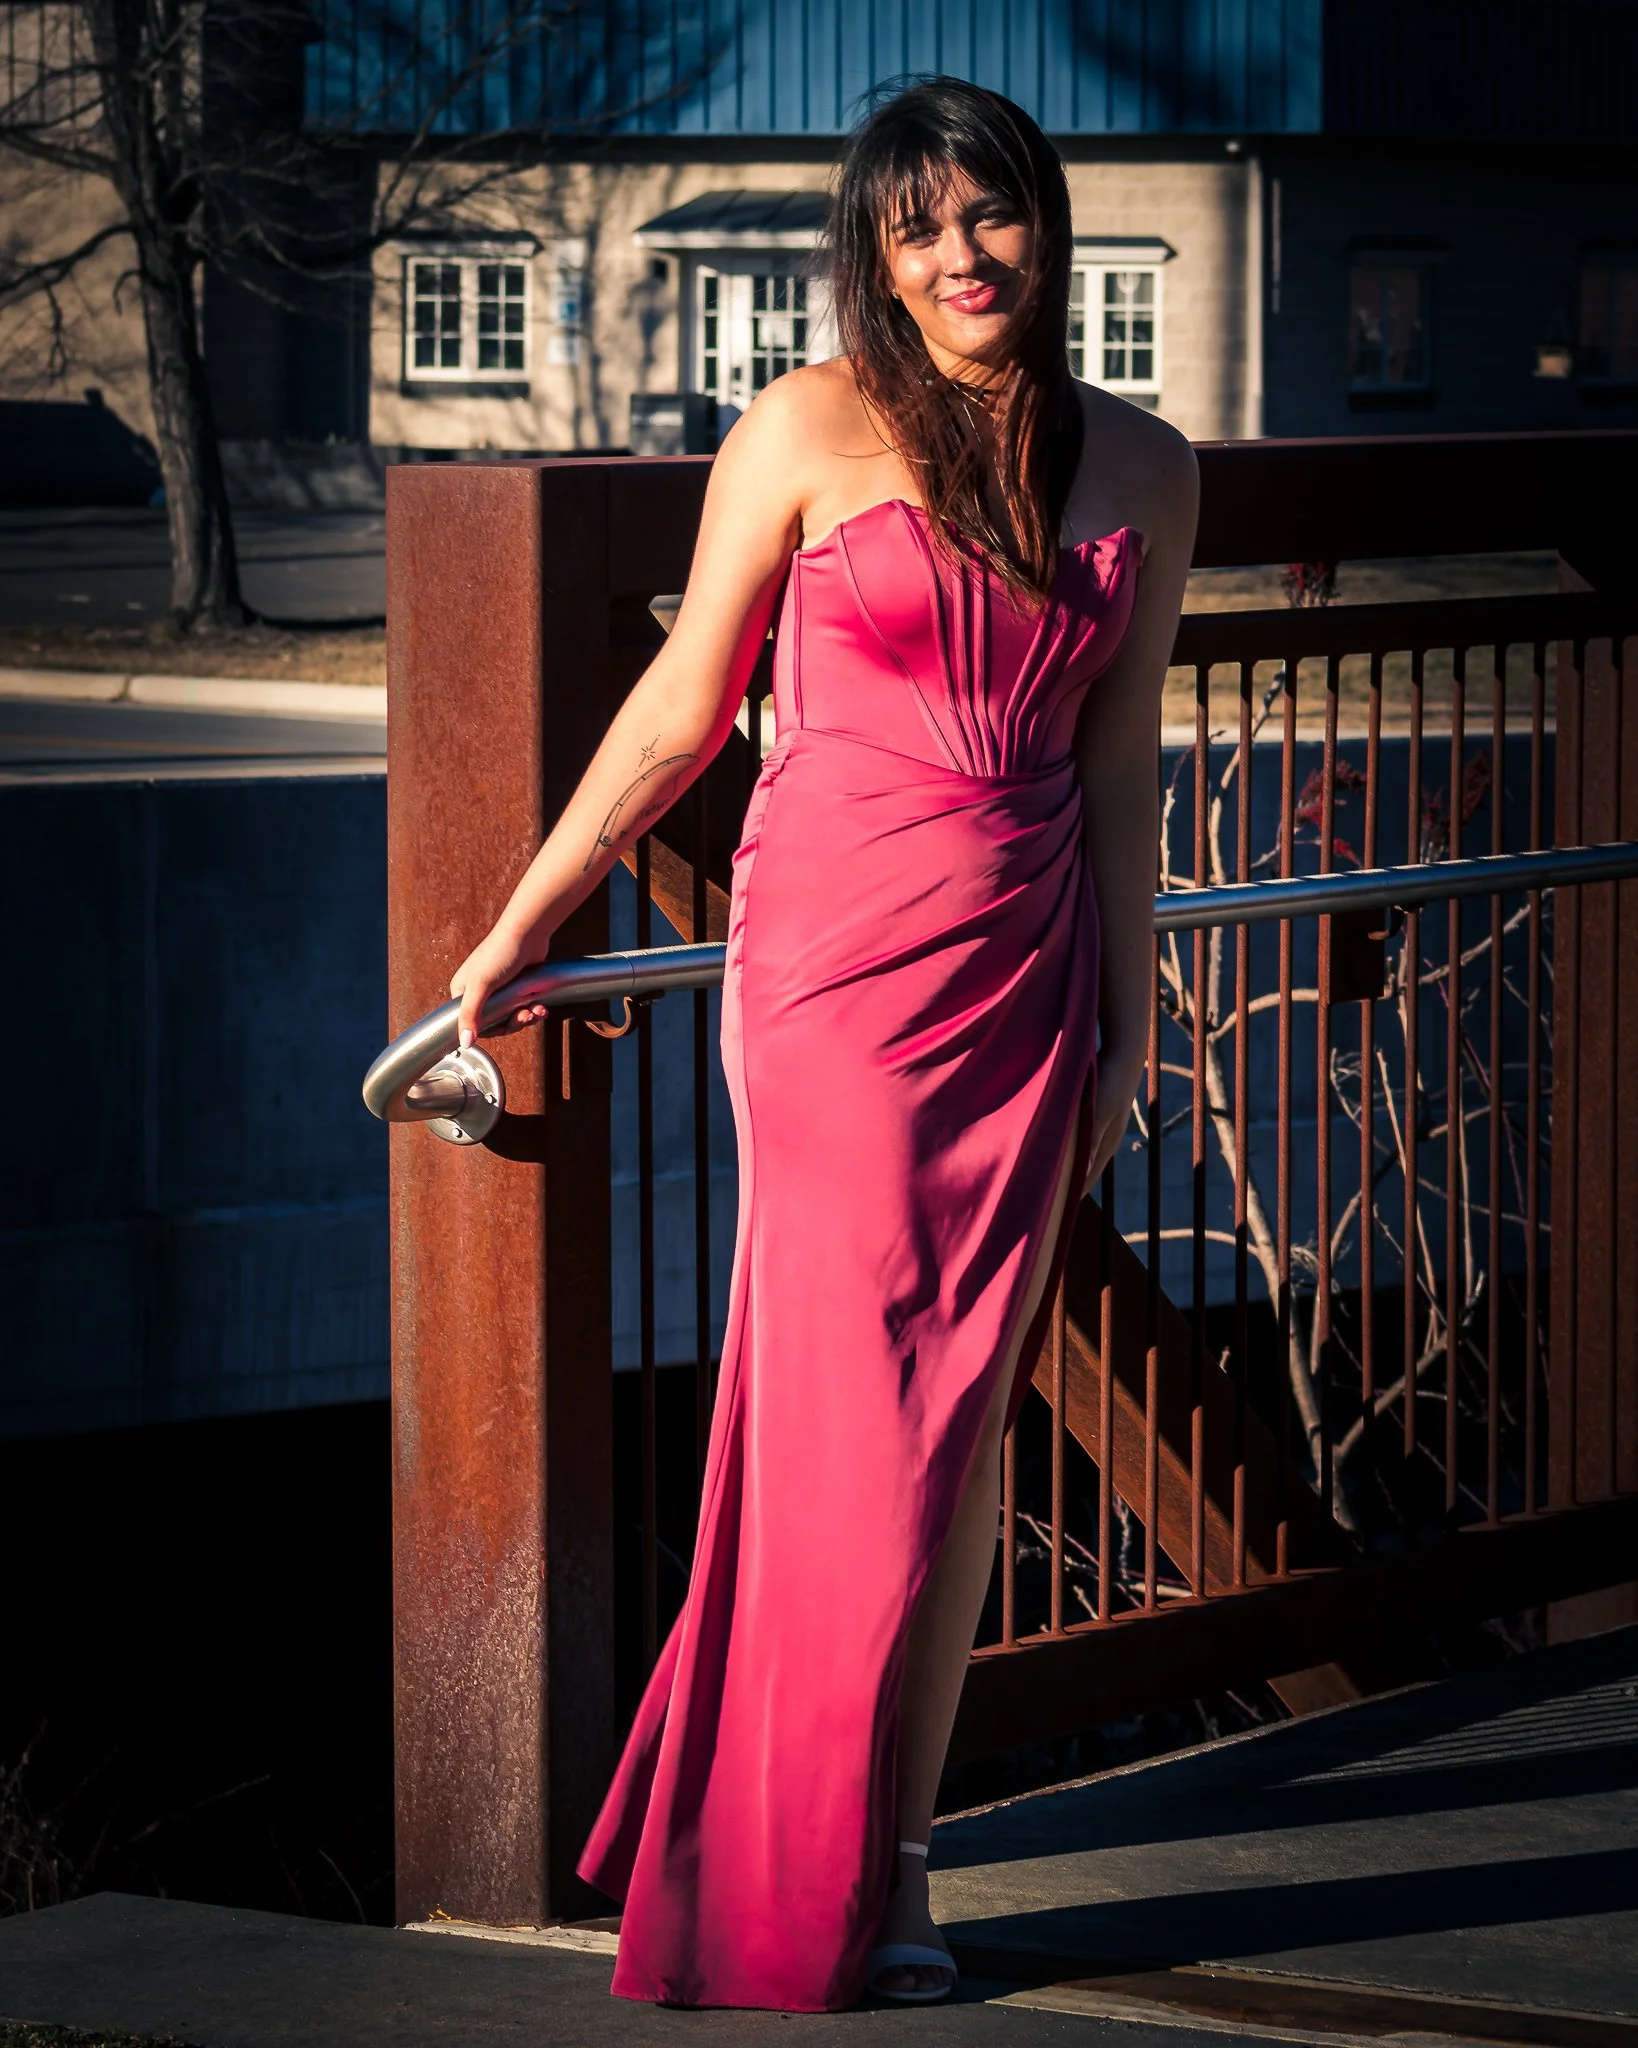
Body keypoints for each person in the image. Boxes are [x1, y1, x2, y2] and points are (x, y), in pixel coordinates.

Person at [448, 75, 1197, 2014]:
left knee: (949, 1444)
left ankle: (904, 1860)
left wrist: (1128, 1016)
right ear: (874, 254)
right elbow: (684, 704)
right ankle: (770, 1874)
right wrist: (528, 918)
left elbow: (1122, 767)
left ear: (1048, 224)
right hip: (836, 978)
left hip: (1030, 976)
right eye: (921, 227)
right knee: (852, 1422)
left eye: (997, 215)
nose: (966, 257)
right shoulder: (802, 426)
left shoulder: (1146, 463)